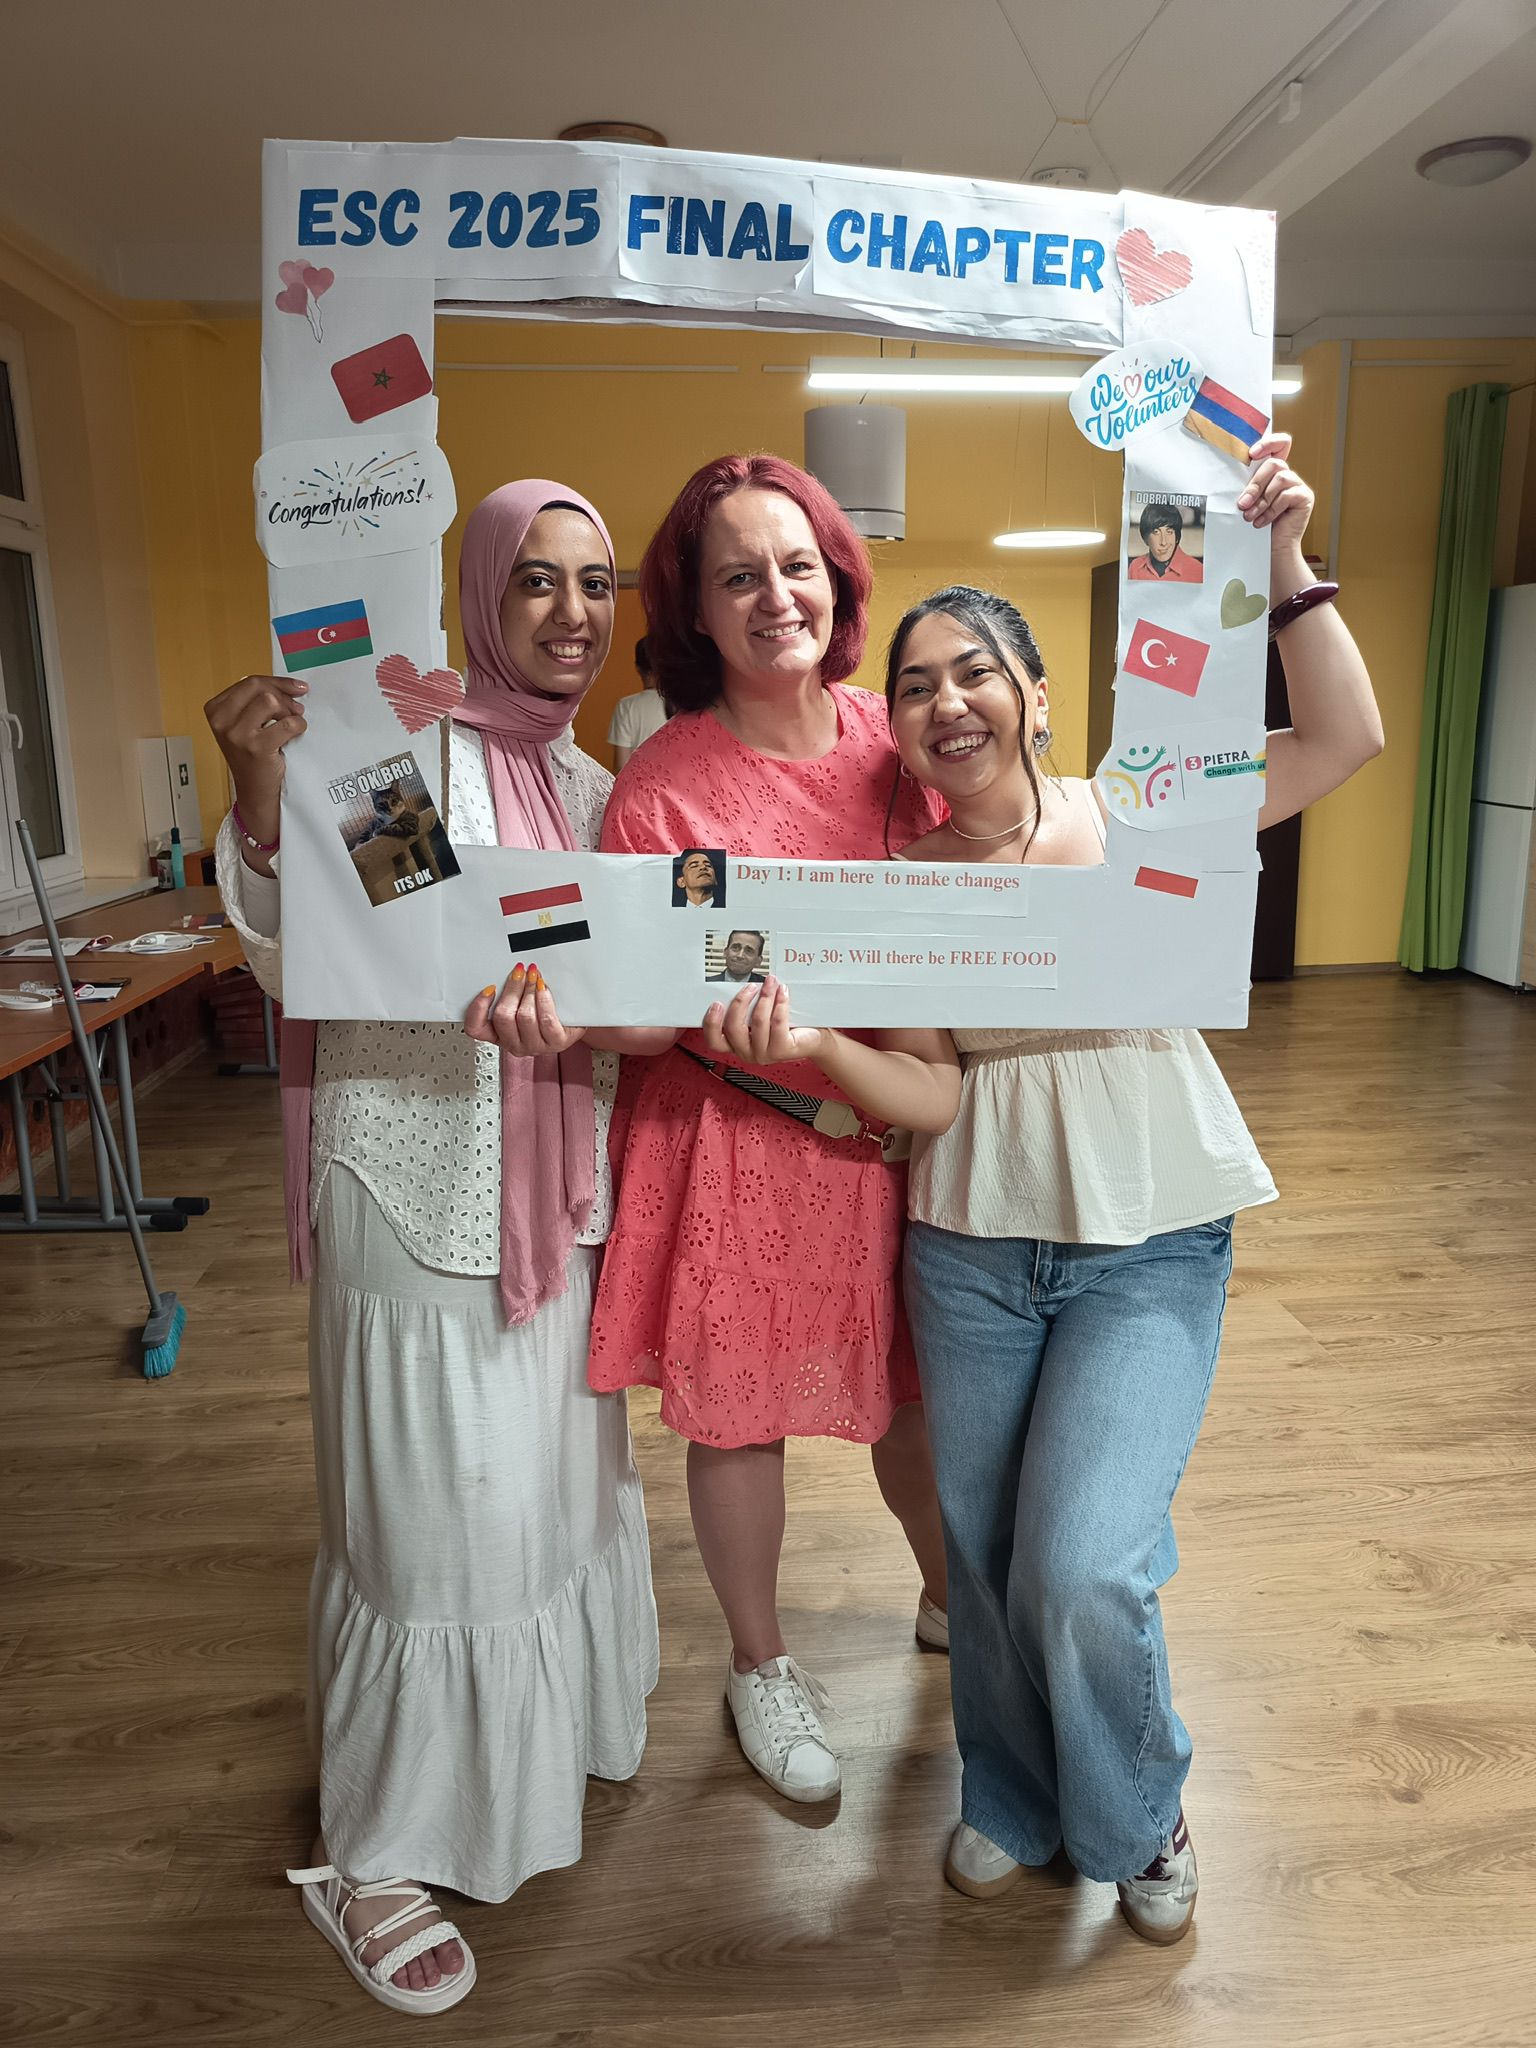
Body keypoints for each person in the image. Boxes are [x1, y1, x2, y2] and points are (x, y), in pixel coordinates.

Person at [707, 434, 1383, 1941]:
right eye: (916, 685)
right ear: (895, 727)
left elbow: (1344, 738)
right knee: (988, 1546)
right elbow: (937, 1091)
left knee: (1084, 1561)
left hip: (1148, 1231)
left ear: (1035, 694)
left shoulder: (1142, 806)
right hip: (971, 1241)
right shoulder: (903, 888)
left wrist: (1286, 564)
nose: (947, 701)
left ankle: (1141, 1812)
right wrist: (816, 1047)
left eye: (975, 672)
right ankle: (1009, 1795)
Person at [205, 481, 659, 2017]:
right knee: (432, 1521)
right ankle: (381, 1847)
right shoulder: (401, 752)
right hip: (413, 1181)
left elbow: (619, 982)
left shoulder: (595, 789)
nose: (572, 614)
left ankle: (539, 1746)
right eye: (536, 580)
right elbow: (316, 951)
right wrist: (262, 796)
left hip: (554, 1202)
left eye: (595, 584)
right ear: (477, 593)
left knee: (543, 1497)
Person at [483, 454, 951, 1807]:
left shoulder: (899, 746)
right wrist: (580, 1015)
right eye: (738, 575)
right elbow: (638, 1005)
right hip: (732, 1135)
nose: (775, 596)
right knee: (738, 1412)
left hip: (892, 1124)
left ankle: (951, 1598)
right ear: (696, 605)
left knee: (920, 1395)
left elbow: (973, 905)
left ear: (839, 581)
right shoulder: (664, 783)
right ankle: (760, 1663)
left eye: (797, 565)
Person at [609, 635, 668, 771]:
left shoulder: (626, 706)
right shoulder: (681, 705)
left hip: (638, 783)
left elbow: (621, 767)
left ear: (638, 668)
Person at [1128, 499, 1202, 582]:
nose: (1163, 542)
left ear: (1176, 537)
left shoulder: (1197, 570)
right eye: (1156, 532)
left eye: (1169, 532)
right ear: (1146, 538)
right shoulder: (1135, 568)